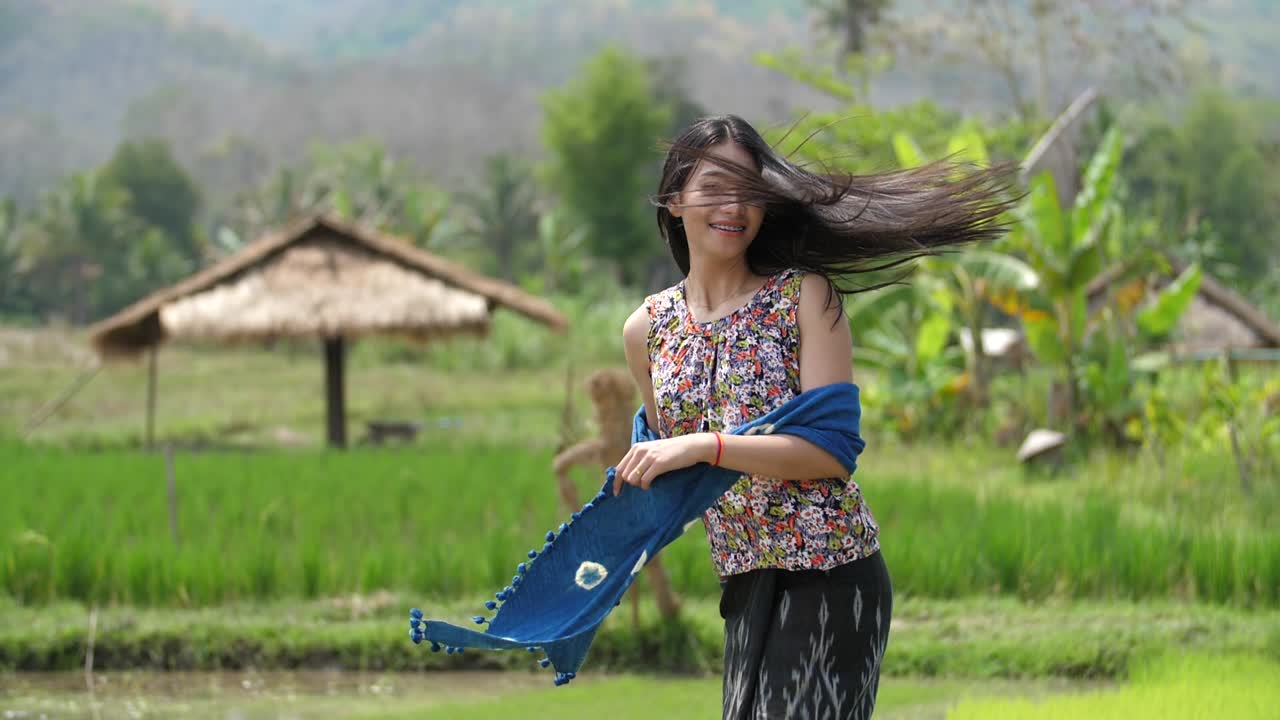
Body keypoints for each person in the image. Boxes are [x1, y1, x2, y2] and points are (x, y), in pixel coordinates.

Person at [610, 114, 1014, 719]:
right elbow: (667, 471)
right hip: (744, 583)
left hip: (832, 569)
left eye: (750, 191)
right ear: (674, 201)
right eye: (715, 188)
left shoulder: (805, 297)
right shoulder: (646, 330)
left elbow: (829, 450)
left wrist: (704, 446)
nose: (735, 206)